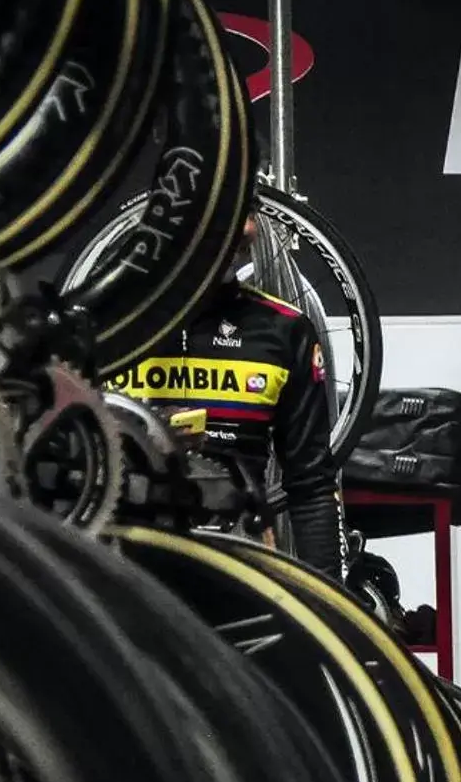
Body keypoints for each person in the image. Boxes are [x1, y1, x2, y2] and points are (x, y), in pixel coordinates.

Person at [105, 214, 342, 576]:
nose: (249, 229)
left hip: (236, 566)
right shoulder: (105, 323)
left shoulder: (285, 329)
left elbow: (312, 489)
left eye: (252, 211)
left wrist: (331, 609)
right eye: (236, 206)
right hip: (126, 570)